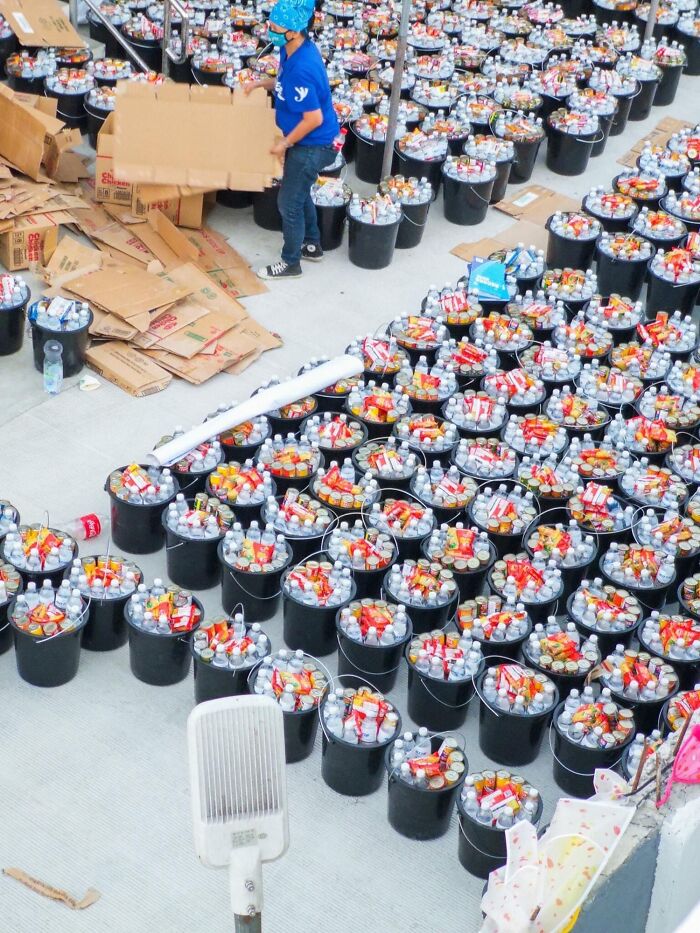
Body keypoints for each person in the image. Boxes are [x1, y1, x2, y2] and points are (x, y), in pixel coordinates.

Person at [244, 0, 339, 280]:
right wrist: (260, 83)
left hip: (313, 144)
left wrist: (285, 144)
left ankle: (290, 262)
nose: (270, 30)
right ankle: (311, 244)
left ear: (294, 31)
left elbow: (314, 119)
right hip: (306, 140)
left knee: (288, 203)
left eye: (275, 27)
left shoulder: (303, 67)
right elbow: (284, 84)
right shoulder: (292, 50)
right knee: (299, 191)